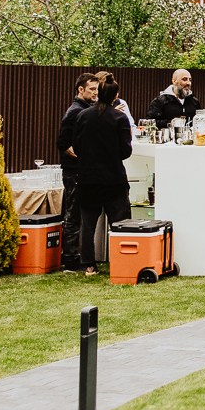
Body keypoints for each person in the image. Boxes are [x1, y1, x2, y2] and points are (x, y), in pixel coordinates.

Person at [68, 76, 137, 270]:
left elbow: (77, 146)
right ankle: (121, 261)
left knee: (88, 224)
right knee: (120, 222)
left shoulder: (83, 116)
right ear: (116, 96)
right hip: (113, 177)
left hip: (88, 177)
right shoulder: (119, 118)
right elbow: (126, 151)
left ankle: (89, 265)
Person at [55, 72, 98, 269]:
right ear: (81, 90)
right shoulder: (75, 111)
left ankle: (77, 255)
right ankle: (70, 258)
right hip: (73, 171)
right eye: (92, 89)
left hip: (80, 170)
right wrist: (82, 157)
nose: (96, 93)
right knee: (73, 214)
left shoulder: (86, 109)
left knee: (79, 213)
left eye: (97, 89)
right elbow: (63, 142)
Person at [151, 69, 199, 136]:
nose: (188, 83)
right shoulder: (160, 101)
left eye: (190, 80)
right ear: (174, 81)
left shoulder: (194, 102)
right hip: (166, 143)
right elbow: (150, 123)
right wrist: (170, 122)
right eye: (184, 79)